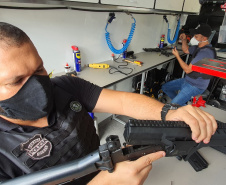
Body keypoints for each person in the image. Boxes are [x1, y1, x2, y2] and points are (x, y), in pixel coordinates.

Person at [0, 22, 217, 185]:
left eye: (39, 69)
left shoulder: (64, 86)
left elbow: (123, 101)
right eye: (17, 80)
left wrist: (168, 112)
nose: (38, 85)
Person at [162, 24, 217, 106]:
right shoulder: (199, 47)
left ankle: (178, 106)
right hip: (188, 80)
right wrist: (184, 40)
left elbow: (187, 70)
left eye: (196, 36)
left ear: (204, 38)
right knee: (165, 87)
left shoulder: (205, 52)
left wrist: (177, 56)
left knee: (172, 105)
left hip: (196, 86)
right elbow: (186, 50)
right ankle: (180, 105)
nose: (193, 38)